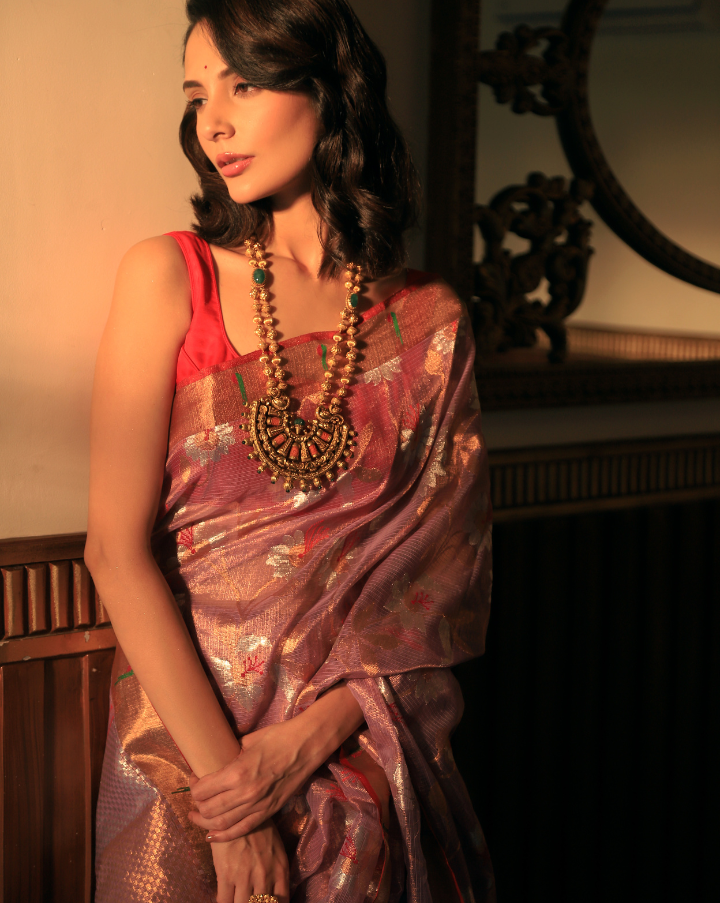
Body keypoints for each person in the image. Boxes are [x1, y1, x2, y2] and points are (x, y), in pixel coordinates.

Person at [85, 1, 494, 901]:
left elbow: (436, 592)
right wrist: (237, 803)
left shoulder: (429, 323)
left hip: (356, 758)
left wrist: (303, 746)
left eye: (243, 83)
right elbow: (114, 553)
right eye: (197, 95)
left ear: (329, 89)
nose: (213, 121)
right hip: (188, 754)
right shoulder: (169, 275)